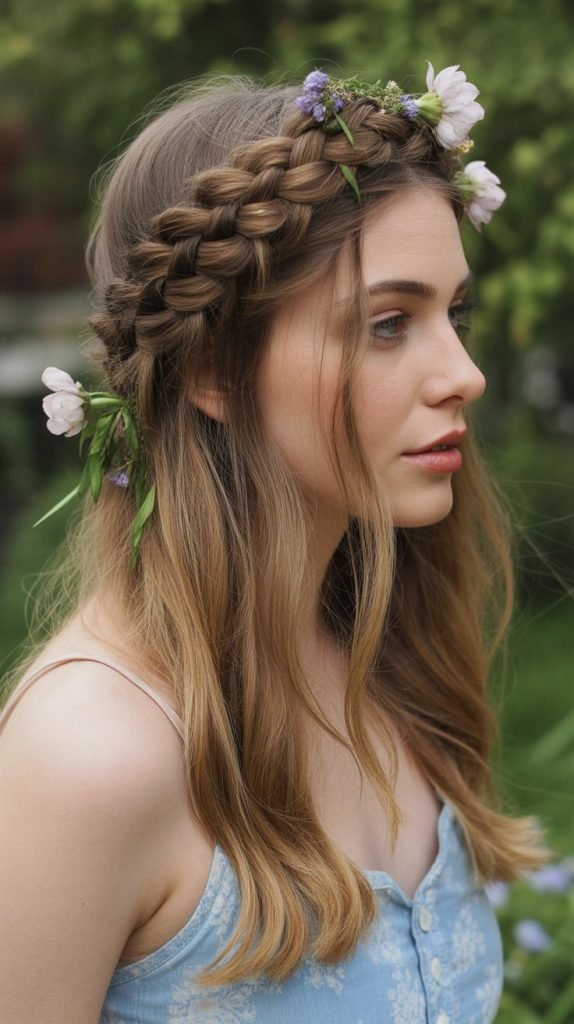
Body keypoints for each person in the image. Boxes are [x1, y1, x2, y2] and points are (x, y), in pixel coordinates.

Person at [0, 64, 549, 1023]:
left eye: (451, 315)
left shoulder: (390, 662)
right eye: (388, 324)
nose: (464, 375)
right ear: (216, 367)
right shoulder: (90, 760)